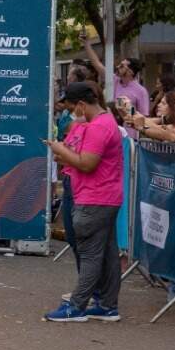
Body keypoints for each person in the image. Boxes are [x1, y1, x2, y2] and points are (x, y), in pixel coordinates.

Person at [43, 82, 124, 323]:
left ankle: (76, 307)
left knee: (90, 254)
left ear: (80, 104)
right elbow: (71, 157)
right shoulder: (100, 123)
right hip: (102, 196)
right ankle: (108, 305)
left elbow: (87, 163)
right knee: (107, 253)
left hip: (95, 198)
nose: (70, 112)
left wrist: (59, 148)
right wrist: (64, 150)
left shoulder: (99, 127)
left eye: (71, 107)